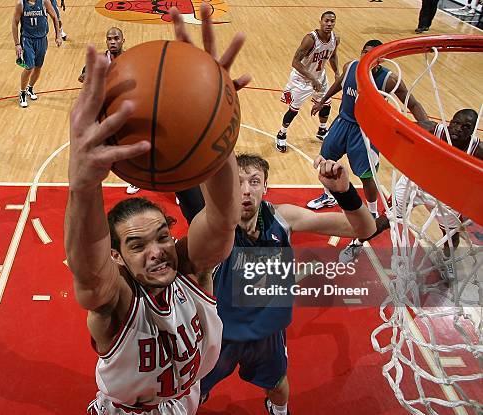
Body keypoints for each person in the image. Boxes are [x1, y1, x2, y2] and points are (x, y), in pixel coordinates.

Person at [65, 5, 253, 413]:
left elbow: (222, 217)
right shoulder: (114, 303)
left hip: (185, 401)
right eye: (136, 244)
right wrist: (83, 186)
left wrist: (214, 118)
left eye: (163, 236)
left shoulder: (191, 272)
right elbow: (89, 273)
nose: (157, 250)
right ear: (116, 256)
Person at [173, 153, 376, 415]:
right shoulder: (215, 226)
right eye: (238, 182)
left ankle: (278, 411)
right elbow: (191, 191)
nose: (246, 191)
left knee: (278, 387)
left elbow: (364, 229)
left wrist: (345, 192)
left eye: (255, 182)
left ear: (266, 187)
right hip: (220, 335)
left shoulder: (282, 218)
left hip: (267, 335)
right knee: (195, 392)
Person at [339, 108, 480, 265]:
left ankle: (447, 261)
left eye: (466, 127)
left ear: (473, 131)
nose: (458, 129)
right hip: (415, 183)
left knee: (451, 234)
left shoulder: (477, 150)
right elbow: (397, 128)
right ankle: (356, 243)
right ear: (450, 122)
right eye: (456, 123)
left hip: (447, 193)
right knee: (386, 220)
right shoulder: (432, 129)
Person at [306, 39, 429, 216]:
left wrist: (426, 131)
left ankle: (372, 212)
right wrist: (322, 101)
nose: (368, 56)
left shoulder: (389, 79)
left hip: (365, 131)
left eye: (374, 53)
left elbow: (414, 104)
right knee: (324, 162)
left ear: (382, 58)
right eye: (365, 51)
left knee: (366, 176)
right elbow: (339, 84)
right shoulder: (350, 67)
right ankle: (328, 196)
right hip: (342, 122)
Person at [77, 27, 141, 195]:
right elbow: (84, 73)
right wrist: (86, 77)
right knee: (97, 147)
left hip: (124, 109)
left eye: (116, 38)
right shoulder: (99, 60)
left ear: (123, 40)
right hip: (105, 110)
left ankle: (135, 179)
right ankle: (93, 181)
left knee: (131, 145)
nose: (113, 41)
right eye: (109, 39)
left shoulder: (130, 59)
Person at [275, 11, 341, 152]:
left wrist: (336, 73)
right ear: (320, 21)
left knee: (326, 103)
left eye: (332, 21)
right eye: (326, 21)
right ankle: (281, 133)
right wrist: (312, 78)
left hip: (320, 77)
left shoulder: (335, 38)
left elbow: (333, 56)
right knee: (294, 109)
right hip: (302, 79)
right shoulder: (310, 39)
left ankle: (322, 130)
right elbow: (295, 62)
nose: (329, 24)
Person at [12, 0, 62, 108]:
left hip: (42, 39)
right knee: (29, 67)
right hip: (27, 40)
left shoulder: (44, 2)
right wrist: (17, 44)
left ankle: (30, 88)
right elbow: (15, 23)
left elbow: (54, 17)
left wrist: (58, 36)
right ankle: (22, 92)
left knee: (38, 67)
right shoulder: (20, 4)